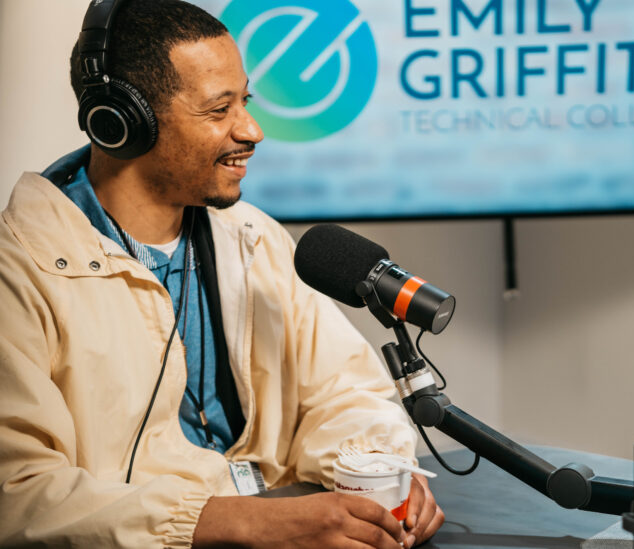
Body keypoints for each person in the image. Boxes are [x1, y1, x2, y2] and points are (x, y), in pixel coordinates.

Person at [0, 0, 444, 547]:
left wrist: (377, 477)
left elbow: (343, 390)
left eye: (246, 102)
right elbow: (17, 494)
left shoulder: (253, 237)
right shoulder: (18, 271)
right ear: (121, 122)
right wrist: (244, 523)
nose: (252, 130)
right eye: (218, 111)